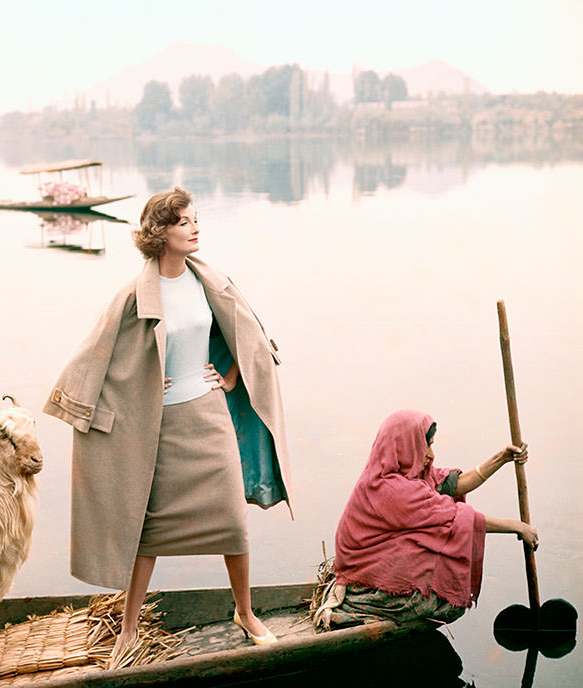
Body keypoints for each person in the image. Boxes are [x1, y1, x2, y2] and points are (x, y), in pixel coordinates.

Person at [43, 186, 294, 662]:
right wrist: (133, 391)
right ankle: (129, 630)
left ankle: (245, 612)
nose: (195, 228)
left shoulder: (210, 281)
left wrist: (231, 378)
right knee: (150, 531)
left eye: (195, 219)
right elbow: (98, 353)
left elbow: (250, 334)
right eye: (184, 222)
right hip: (160, 428)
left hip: (209, 415)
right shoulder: (135, 294)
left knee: (233, 525)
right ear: (160, 233)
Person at [314, 409, 538, 629]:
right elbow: (453, 517)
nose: (431, 454)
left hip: (368, 568)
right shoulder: (389, 488)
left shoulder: (402, 474)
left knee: (430, 542)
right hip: (363, 581)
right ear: (406, 446)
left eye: (431, 444)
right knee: (443, 597)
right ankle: (358, 606)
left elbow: (453, 485)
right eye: (425, 445)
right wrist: (516, 527)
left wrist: (502, 458)